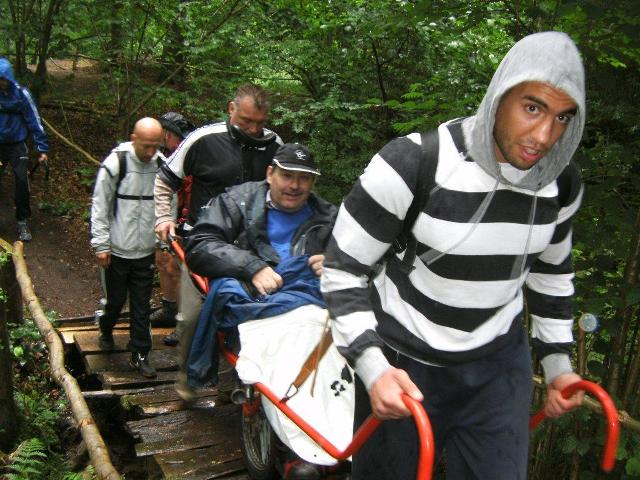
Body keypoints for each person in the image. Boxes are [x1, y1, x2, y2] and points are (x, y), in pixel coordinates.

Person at [320, 31, 586, 479]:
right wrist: (372, 367)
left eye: (563, 117)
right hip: (403, 361)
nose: (544, 135)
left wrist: (558, 365)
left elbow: (551, 275)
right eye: (533, 106)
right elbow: (343, 270)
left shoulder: (562, 185)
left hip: (498, 365)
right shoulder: (412, 163)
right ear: (500, 95)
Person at [184, 143, 337, 480]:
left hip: (311, 304)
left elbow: (359, 256)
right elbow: (200, 243)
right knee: (289, 347)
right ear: (270, 174)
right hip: (258, 299)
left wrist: (337, 262)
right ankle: (298, 452)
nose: (294, 185)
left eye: (304, 179)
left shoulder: (328, 217)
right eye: (287, 175)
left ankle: (344, 435)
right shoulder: (237, 201)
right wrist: (251, 265)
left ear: (313, 183)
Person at [154, 83, 282, 348]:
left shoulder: (273, 143)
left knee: (245, 313)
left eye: (260, 122)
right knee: (194, 311)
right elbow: (165, 180)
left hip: (251, 243)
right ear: (231, 109)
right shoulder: (202, 139)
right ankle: (190, 352)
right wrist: (164, 217)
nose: (254, 129)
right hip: (203, 239)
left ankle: (237, 376)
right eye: (247, 121)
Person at [91, 117, 164, 379]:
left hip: (144, 251)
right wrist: (101, 244)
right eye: (145, 146)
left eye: (155, 146)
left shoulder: (161, 166)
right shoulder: (115, 164)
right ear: (134, 138)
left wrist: (162, 242)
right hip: (117, 251)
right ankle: (105, 327)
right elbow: (100, 206)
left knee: (142, 305)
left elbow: (167, 205)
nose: (150, 152)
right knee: (115, 301)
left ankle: (140, 354)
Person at [149, 112, 195, 332]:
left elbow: (190, 190)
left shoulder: (187, 155)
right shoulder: (166, 154)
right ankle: (169, 308)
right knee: (162, 260)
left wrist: (182, 221)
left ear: (169, 133)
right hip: (168, 217)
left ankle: (183, 321)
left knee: (176, 268)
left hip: (185, 221)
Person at [0, 57, 49, 242]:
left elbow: (35, 122)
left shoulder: (22, 95)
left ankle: (22, 221)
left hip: (17, 146)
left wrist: (42, 149)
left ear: (8, 77)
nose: (0, 83)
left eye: (2, 79)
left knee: (21, 182)